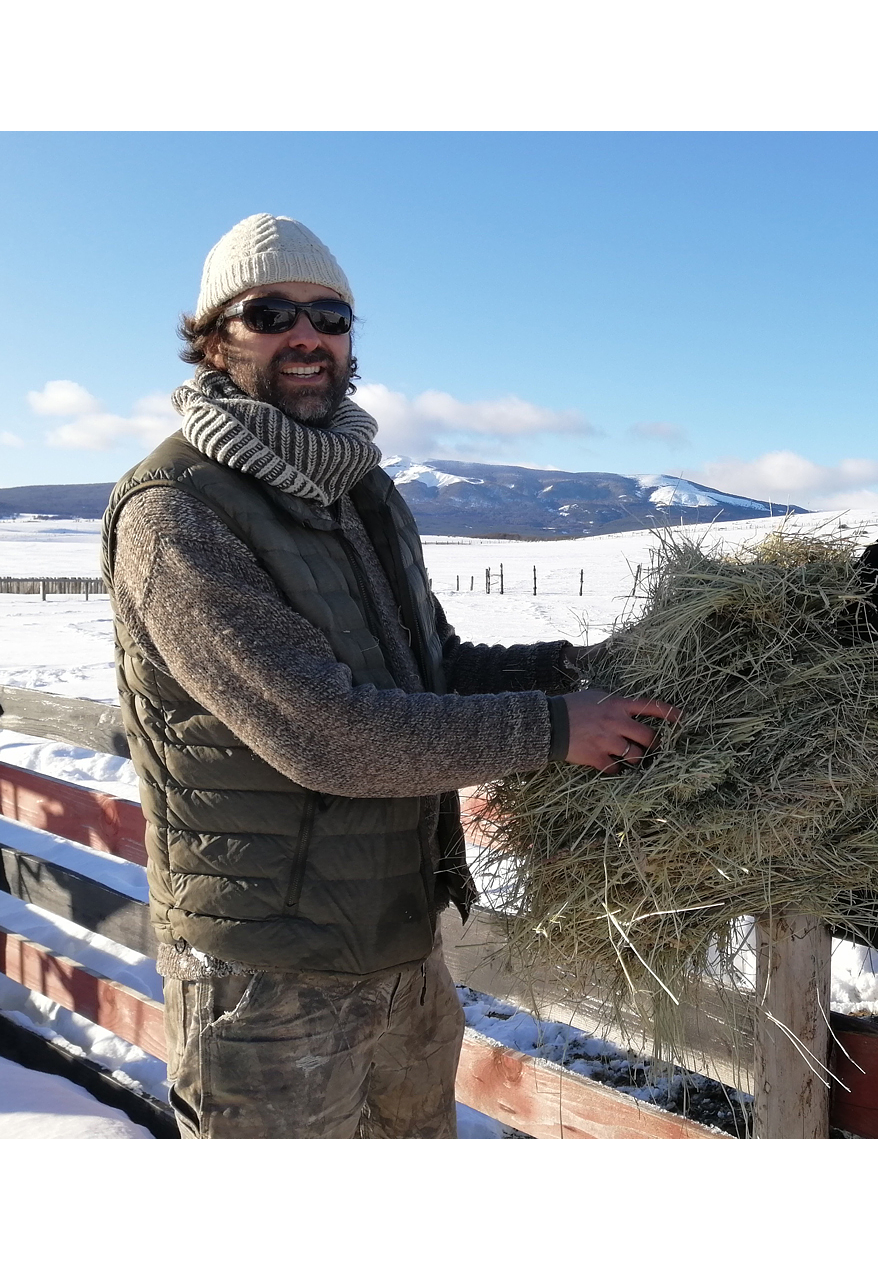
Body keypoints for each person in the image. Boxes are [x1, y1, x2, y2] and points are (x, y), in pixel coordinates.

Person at [102, 213, 677, 1138]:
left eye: (330, 316)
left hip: (401, 946)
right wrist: (554, 728)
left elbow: (435, 671)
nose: (308, 336)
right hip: (267, 975)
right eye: (272, 313)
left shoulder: (363, 490)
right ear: (212, 337)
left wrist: (594, 667)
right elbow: (324, 734)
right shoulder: (175, 512)